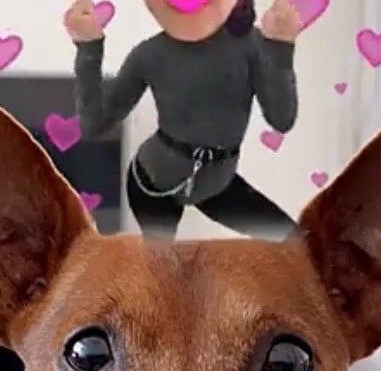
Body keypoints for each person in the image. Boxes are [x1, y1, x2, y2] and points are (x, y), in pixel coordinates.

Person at [65, 0, 301, 240]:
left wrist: (281, 47)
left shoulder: (252, 46)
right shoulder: (150, 54)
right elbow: (93, 124)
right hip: (152, 185)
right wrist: (88, 48)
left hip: (216, 184)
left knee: (296, 241)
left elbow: (282, 120)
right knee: (163, 262)